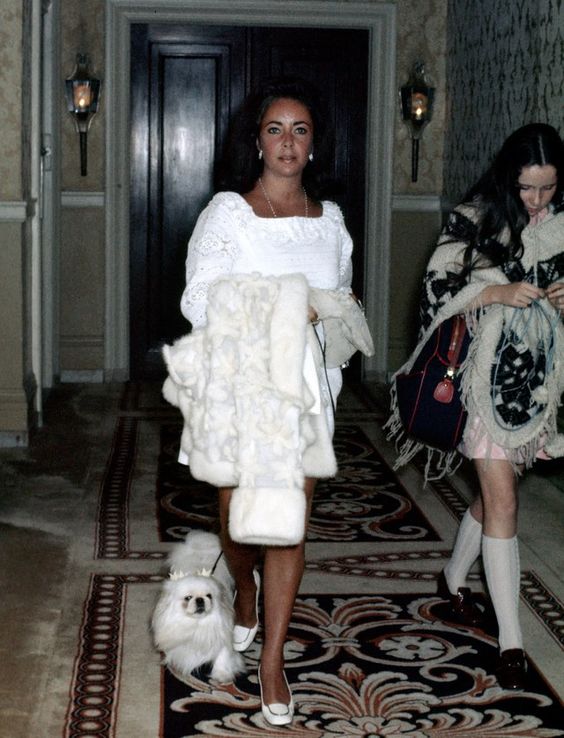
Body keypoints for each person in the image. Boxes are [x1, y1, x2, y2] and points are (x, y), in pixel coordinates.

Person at [178, 77, 355, 725]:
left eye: (300, 130)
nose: (287, 142)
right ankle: (242, 588)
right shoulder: (229, 212)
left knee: (289, 523)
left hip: (306, 392)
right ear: (256, 140)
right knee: (240, 522)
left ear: (314, 146)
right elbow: (197, 302)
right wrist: (283, 303)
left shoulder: (331, 223)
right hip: (242, 381)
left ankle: (274, 659)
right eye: (275, 128)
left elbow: (333, 315)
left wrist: (337, 319)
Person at [388, 123, 564, 690]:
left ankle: (452, 577)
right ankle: (512, 642)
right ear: (506, 178)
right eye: (527, 189)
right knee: (505, 499)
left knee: (494, 500)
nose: (537, 201)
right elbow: (437, 292)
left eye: (547, 189)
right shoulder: (475, 216)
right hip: (478, 383)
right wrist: (494, 292)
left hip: (532, 386)